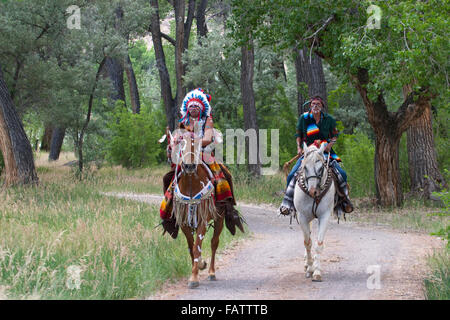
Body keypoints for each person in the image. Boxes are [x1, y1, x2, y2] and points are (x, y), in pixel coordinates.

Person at [160, 88, 244, 238]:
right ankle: (170, 214)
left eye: (196, 106)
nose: (193, 109)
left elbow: (207, 138)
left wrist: (192, 138)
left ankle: (229, 208)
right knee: (168, 178)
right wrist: (175, 142)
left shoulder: (207, 120)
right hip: (187, 155)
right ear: (187, 107)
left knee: (225, 175)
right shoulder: (183, 121)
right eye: (191, 106)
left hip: (204, 153)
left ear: (201, 108)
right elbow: (177, 138)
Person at [279, 95, 354, 216]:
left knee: (342, 174)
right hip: (308, 151)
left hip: (324, 152)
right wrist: (299, 147)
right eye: (313, 104)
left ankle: (344, 202)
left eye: (318, 104)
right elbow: (298, 135)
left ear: (322, 106)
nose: (315, 106)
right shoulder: (304, 118)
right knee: (292, 175)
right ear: (310, 105)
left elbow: (335, 136)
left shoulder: (329, 119)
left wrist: (330, 144)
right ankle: (288, 204)